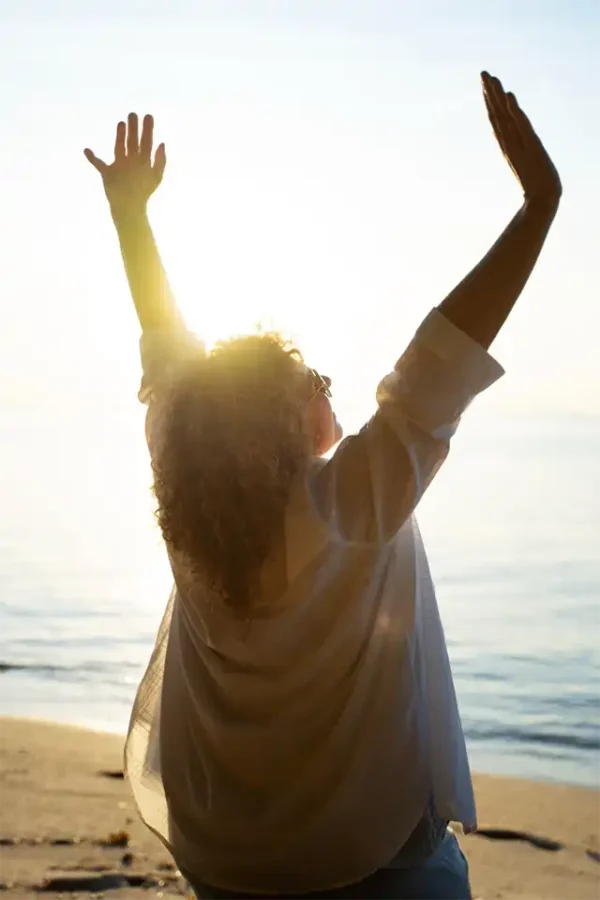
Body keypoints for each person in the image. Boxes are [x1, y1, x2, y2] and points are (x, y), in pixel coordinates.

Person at [85, 71, 561, 899]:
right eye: (319, 384)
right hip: (362, 861)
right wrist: (537, 209)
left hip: (223, 853)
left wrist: (131, 216)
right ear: (287, 420)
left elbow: (167, 351)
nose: (334, 398)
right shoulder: (346, 506)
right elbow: (436, 367)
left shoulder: (184, 496)